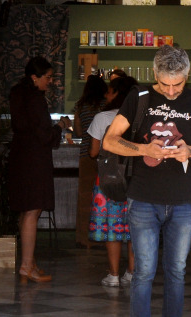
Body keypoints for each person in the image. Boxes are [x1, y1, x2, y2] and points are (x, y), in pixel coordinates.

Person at [102, 45, 191, 317]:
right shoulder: (138, 97)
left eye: (179, 84)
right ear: (155, 74)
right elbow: (109, 140)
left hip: (184, 201)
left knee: (177, 271)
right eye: (165, 84)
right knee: (144, 272)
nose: (172, 91)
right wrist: (143, 149)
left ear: (187, 76)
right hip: (143, 199)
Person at [7, 56, 72, 283]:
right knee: (33, 211)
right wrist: (61, 126)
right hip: (34, 160)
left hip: (20, 157)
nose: (51, 81)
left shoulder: (18, 95)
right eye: (48, 77)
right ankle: (26, 265)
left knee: (26, 211)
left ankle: (29, 262)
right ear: (34, 77)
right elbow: (44, 135)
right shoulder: (35, 99)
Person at [87, 74, 139, 287]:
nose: (107, 94)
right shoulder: (140, 116)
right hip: (137, 179)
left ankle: (114, 275)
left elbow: (93, 152)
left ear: (118, 93)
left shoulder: (103, 118)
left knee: (112, 227)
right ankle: (132, 273)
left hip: (108, 179)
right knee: (136, 228)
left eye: (110, 90)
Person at [72, 74, 108, 245]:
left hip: (85, 155)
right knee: (104, 197)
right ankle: (101, 236)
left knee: (84, 197)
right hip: (104, 156)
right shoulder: (106, 105)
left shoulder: (80, 106)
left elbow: (78, 132)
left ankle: (82, 238)